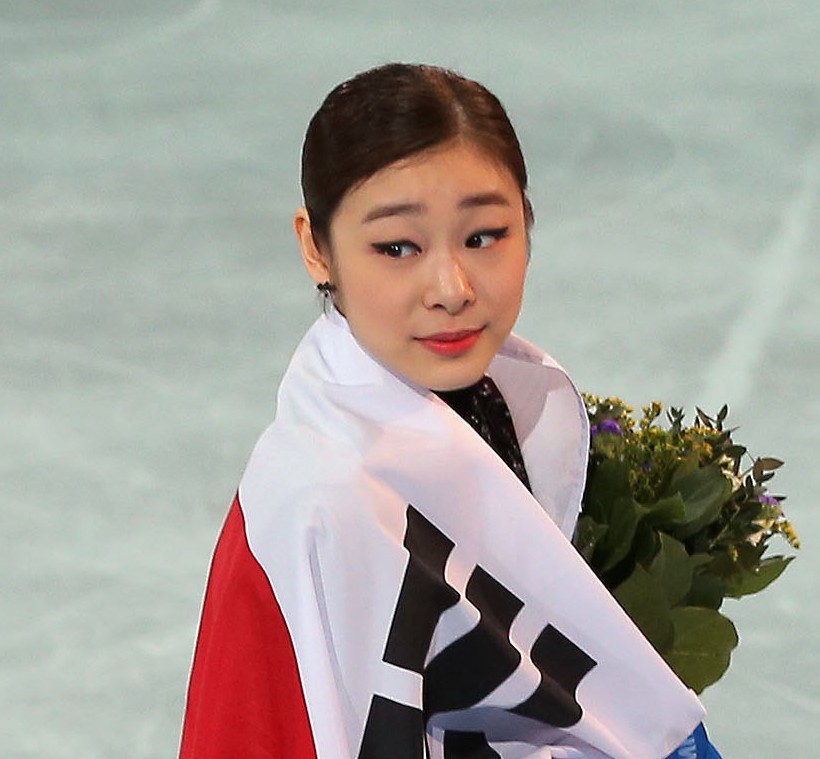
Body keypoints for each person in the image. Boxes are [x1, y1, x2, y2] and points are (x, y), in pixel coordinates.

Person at [178, 63, 722, 759]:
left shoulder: (500, 405)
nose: (452, 288)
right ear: (316, 246)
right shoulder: (320, 502)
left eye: (484, 235)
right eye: (397, 246)